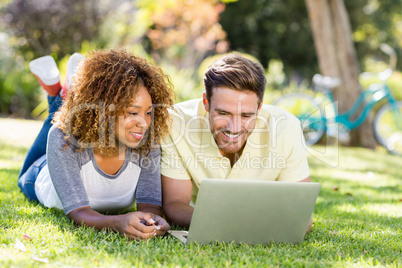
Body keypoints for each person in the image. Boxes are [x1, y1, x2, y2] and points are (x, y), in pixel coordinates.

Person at [18, 49, 175, 240]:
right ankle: (57, 94)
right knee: (58, 123)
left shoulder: (148, 143)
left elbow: (149, 204)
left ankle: (67, 89)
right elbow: (78, 212)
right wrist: (117, 222)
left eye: (148, 113)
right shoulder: (64, 139)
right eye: (133, 113)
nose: (144, 123)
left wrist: (153, 221)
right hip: (40, 174)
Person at [160, 53, 312, 232]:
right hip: (203, 217)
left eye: (247, 115)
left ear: (259, 106)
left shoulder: (286, 127)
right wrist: (233, 223)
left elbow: (301, 216)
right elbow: (175, 204)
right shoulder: (176, 123)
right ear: (206, 102)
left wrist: (234, 223)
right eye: (223, 113)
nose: (234, 128)